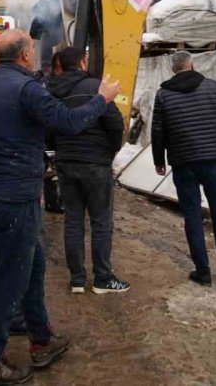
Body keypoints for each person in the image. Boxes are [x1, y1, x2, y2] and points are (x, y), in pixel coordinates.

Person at [0, 28, 120, 386]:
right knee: (10, 280)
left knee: (32, 267)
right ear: (26, 55)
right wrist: (102, 99)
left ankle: (42, 341)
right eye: (32, 47)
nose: (34, 52)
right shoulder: (27, 88)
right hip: (18, 197)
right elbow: (68, 121)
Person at [151, 50, 216, 287]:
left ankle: (202, 271)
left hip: (183, 163)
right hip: (213, 160)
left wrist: (158, 160)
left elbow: (158, 131)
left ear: (173, 69)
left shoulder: (163, 94)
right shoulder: (213, 87)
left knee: (192, 214)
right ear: (192, 65)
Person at [46, 47, 129, 295]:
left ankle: (77, 279)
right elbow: (115, 124)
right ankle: (102, 278)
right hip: (96, 164)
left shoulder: (53, 92)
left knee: (73, 221)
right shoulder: (97, 88)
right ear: (82, 63)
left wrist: (60, 149)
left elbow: (49, 129)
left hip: (66, 164)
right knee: (101, 222)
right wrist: (110, 152)